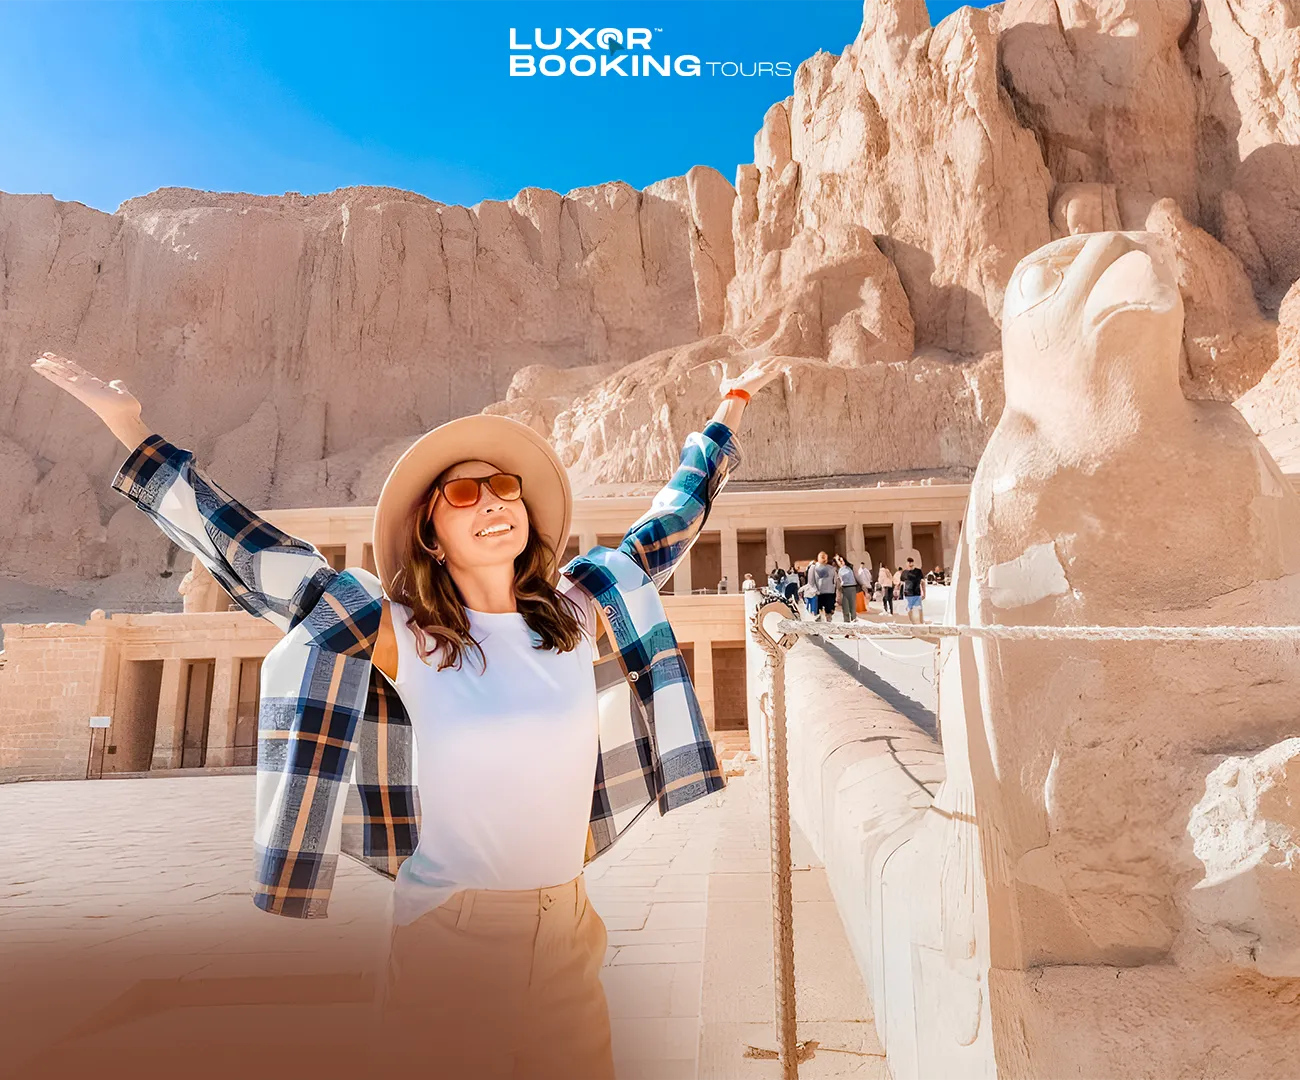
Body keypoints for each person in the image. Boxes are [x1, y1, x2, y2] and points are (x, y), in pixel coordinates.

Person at [31, 348, 786, 1079]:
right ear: (432, 529)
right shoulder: (407, 635)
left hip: (570, 931)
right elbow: (257, 561)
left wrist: (730, 409)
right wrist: (132, 431)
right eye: (464, 494)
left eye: (504, 486)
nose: (492, 500)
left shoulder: (578, 610)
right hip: (454, 940)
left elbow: (670, 523)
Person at [807, 551, 837, 622]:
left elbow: (835, 580)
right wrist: (814, 590)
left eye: (825, 556)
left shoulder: (831, 568)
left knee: (829, 612)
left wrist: (834, 590)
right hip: (817, 593)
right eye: (821, 556)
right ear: (818, 557)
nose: (823, 558)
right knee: (817, 613)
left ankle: (829, 625)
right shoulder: (813, 567)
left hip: (829, 593)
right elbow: (811, 580)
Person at [899, 556, 927, 624]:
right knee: (909, 609)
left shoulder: (918, 571)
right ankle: (912, 623)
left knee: (919, 608)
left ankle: (921, 622)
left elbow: (922, 582)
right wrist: (901, 595)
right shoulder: (904, 573)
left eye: (911, 562)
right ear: (906, 563)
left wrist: (924, 593)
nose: (910, 564)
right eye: (909, 562)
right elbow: (901, 584)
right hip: (908, 594)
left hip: (917, 593)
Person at [834, 554, 858, 622]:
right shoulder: (839, 570)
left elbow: (857, 576)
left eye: (842, 560)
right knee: (845, 606)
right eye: (839, 561)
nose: (841, 562)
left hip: (851, 587)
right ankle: (846, 620)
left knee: (852, 604)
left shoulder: (850, 568)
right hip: (844, 588)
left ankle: (854, 619)